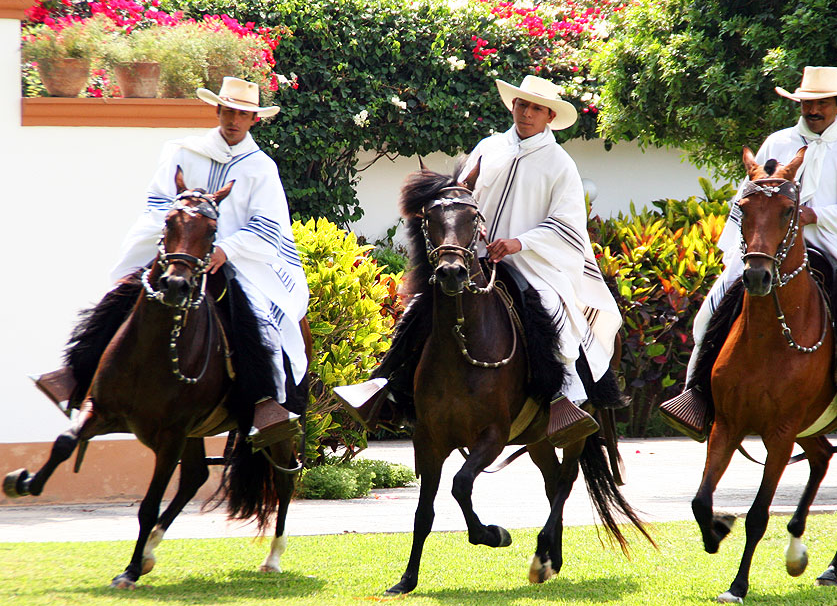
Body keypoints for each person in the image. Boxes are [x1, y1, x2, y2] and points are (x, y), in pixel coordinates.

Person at [336, 75, 623, 447]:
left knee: (550, 311)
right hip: (475, 257)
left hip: (534, 264)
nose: (527, 113)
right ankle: (385, 384)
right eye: (522, 104)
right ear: (513, 106)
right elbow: (462, 196)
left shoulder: (560, 164)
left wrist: (519, 242)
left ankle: (560, 400)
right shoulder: (489, 147)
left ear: (550, 116)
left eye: (537, 108)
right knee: (423, 305)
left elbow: (566, 223)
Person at [659, 65, 837, 450]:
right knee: (714, 305)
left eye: (820, 103)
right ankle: (698, 394)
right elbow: (746, 197)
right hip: (771, 245)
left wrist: (817, 215)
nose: (813, 109)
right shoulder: (777, 142)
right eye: (806, 103)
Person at [32, 76, 309, 447]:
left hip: (232, 259)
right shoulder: (182, 150)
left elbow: (268, 225)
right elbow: (158, 200)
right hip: (177, 250)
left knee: (258, 320)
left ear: (253, 120)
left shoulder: (261, 168)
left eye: (242, 114)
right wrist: (181, 236)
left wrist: (227, 250)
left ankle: (263, 404)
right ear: (217, 110)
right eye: (228, 111)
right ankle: (76, 375)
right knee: (120, 296)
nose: (233, 120)